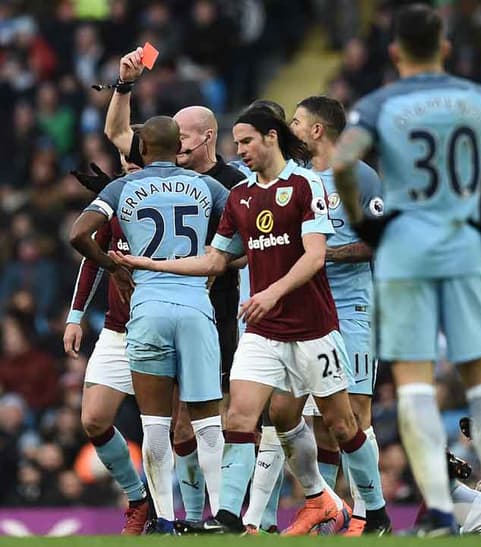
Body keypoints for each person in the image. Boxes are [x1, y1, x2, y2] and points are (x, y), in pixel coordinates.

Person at [112, 107, 391, 536]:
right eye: (237, 143)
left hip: (314, 328)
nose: (239, 151)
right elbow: (215, 260)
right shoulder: (240, 197)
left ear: (271, 138)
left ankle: (376, 512)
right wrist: (149, 263)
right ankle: (230, 518)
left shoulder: (306, 185)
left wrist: (272, 292)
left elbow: (315, 254)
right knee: (240, 419)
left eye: (246, 142)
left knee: (343, 424)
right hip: (263, 331)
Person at [331, 4, 481, 535]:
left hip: (405, 250)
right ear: (445, 48)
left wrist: (367, 228)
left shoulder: (379, 103)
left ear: (394, 52)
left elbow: (342, 163)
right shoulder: (479, 100)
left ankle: (436, 512)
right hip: (461, 245)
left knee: (414, 384)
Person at [103, 47, 246, 520]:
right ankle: (191, 515)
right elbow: (119, 133)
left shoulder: (231, 181)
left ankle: (230, 513)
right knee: (182, 423)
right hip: (182, 305)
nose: (175, 143)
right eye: (173, 136)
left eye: (184, 135)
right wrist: (124, 85)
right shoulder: (172, 177)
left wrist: (218, 265)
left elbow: (253, 243)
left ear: (207, 137)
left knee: (210, 416)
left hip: (219, 307)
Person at [70, 116, 229, 533]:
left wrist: (115, 268)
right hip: (196, 308)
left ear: (141, 149)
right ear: (179, 146)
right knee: (207, 421)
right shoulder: (207, 187)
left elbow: (77, 235)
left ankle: (165, 520)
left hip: (148, 310)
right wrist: (218, 263)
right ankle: (224, 517)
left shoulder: (123, 190)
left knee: (155, 424)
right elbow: (246, 228)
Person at [292, 95, 384, 536]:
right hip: (312, 313)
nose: (289, 129)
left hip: (353, 308)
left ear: (317, 130)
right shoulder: (295, 179)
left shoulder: (359, 175)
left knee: (357, 412)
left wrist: (320, 256)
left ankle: (370, 514)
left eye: (296, 122)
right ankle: (330, 515)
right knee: (323, 422)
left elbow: (377, 242)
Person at [63, 155, 149, 535]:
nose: (127, 166)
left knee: (173, 432)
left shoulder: (184, 196)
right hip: (118, 330)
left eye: (134, 159)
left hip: (166, 329)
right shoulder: (113, 202)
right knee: (94, 419)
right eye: (123, 161)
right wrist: (75, 315)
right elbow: (92, 260)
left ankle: (191, 515)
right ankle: (138, 499)